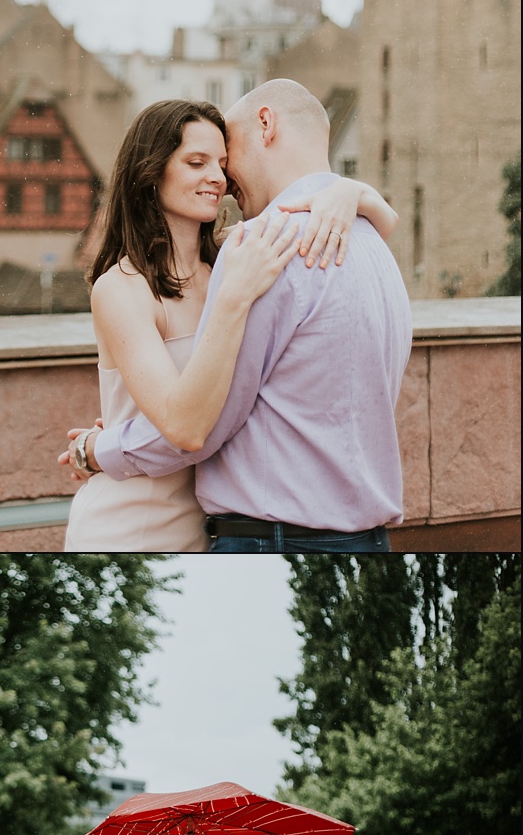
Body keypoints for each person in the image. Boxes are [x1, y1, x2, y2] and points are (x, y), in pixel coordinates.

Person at [62, 84, 409, 553]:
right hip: (133, 520)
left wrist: (348, 192)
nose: (220, 179)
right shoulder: (128, 286)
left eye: (223, 163)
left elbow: (201, 425)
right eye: (196, 163)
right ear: (151, 171)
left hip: (216, 527)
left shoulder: (244, 255)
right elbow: (186, 425)